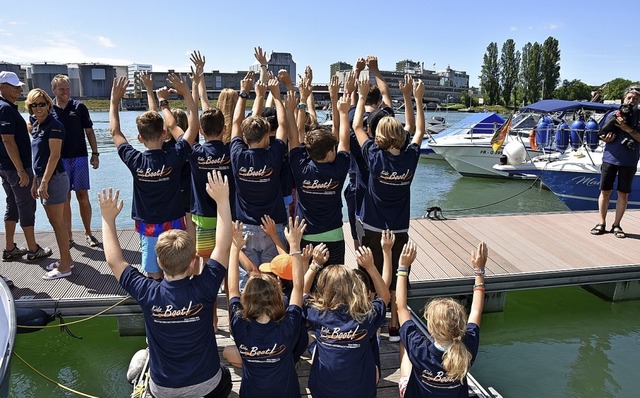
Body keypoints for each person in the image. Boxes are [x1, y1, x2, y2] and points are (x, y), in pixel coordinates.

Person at [98, 170, 233, 398]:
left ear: (159, 262)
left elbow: (114, 261)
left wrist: (107, 219)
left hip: (164, 391)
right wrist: (222, 201)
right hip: (207, 387)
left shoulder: (147, 292)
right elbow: (223, 247)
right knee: (226, 377)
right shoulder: (205, 287)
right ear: (193, 263)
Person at [353, 75, 425, 342]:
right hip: (399, 228)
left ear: (379, 137)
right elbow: (417, 131)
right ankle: (395, 324)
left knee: (369, 273)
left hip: (372, 225)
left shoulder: (374, 156)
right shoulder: (410, 159)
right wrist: (413, 98)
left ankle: (371, 322)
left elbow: (356, 127)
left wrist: (360, 97)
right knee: (396, 275)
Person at [109, 74, 198, 279]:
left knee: (153, 276)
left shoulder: (135, 160)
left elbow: (115, 132)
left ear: (139, 138)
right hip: (175, 224)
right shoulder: (175, 156)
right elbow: (193, 127)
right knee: (179, 271)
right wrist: (186, 94)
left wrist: (114, 101)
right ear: (164, 134)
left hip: (149, 227)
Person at [224, 217, 306, 398]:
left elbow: (232, 289)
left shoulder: (239, 326)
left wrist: (235, 247)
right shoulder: (288, 327)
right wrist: (294, 246)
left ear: (247, 298)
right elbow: (299, 287)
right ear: (277, 297)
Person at [396, 241, 487, 398]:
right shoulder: (467, 349)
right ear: (460, 325)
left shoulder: (419, 349)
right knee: (408, 341)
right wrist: (479, 272)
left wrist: (403, 268)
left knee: (406, 344)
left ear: (430, 328)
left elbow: (401, 308)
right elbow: (476, 310)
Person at [302, 246, 390, 398]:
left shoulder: (317, 313)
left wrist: (314, 264)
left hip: (324, 388)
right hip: (360, 389)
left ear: (323, 288)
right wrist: (370, 267)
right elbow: (385, 297)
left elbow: (300, 292)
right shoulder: (365, 316)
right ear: (355, 287)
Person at [230, 70, 288, 284]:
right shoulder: (274, 154)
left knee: (249, 283)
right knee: (274, 278)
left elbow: (236, 122)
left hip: (244, 226)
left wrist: (244, 93)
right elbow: (283, 125)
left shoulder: (237, 154)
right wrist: (277, 95)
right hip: (272, 224)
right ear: (267, 136)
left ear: (245, 138)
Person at [288, 75, 350, 265]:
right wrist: (342, 110)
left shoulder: (300, 167)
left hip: (306, 234)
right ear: (331, 151)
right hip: (334, 234)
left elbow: (296, 134)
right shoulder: (339, 168)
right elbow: (344, 138)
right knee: (335, 284)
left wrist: (300, 103)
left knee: (310, 286)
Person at [0, 71, 52, 264]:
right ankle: (32, 249)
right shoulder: (5, 108)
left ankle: (10, 248)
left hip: (6, 167)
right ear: (2, 87)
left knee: (12, 204)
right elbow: (7, 139)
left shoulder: (7, 107)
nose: (19, 89)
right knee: (26, 205)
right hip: (15, 168)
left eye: (18, 85)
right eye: (13, 86)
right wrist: (21, 170)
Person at [26, 89, 74, 280]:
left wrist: (44, 182)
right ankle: (67, 260)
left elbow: (54, 156)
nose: (38, 108)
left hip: (54, 179)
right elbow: (38, 157)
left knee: (58, 224)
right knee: (57, 223)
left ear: (48, 104)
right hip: (45, 179)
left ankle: (64, 267)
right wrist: (35, 181)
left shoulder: (54, 126)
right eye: (34, 105)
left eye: (41, 103)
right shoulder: (38, 125)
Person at [50, 74, 100, 248]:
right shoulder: (48, 109)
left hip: (79, 157)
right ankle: (69, 236)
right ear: (54, 90)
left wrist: (95, 153)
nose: (66, 92)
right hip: (59, 159)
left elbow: (90, 132)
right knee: (64, 199)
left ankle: (88, 233)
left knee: (82, 196)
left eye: (68, 89)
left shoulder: (79, 107)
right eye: (62, 89)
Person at [591, 86, 640, 238]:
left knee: (623, 195)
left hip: (629, 160)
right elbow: (600, 133)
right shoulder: (613, 114)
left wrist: (627, 129)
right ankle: (601, 222)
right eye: (629, 98)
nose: (631, 101)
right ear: (624, 98)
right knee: (605, 192)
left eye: (636, 99)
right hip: (610, 158)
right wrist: (604, 138)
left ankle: (617, 225)